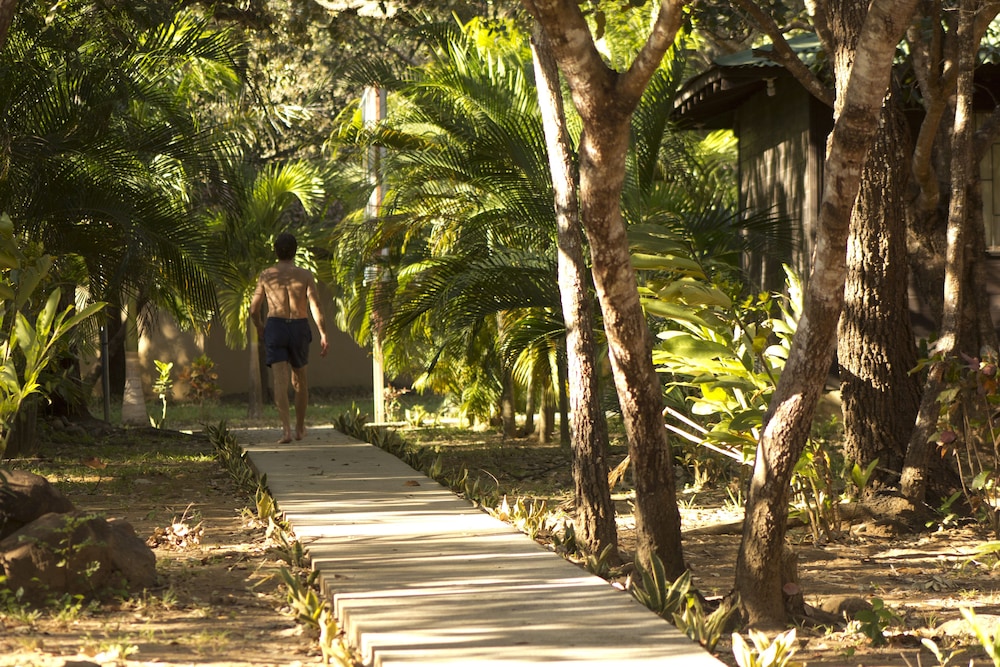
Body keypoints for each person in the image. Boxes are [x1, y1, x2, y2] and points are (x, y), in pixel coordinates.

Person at [250, 232, 328, 443]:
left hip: (275, 325)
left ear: (276, 251)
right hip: (299, 326)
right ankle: (300, 428)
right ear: (295, 251)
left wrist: (259, 326)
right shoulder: (305, 275)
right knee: (300, 378)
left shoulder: (266, 275)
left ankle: (286, 431)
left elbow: (253, 309)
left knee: (279, 380)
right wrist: (323, 333)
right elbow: (316, 305)